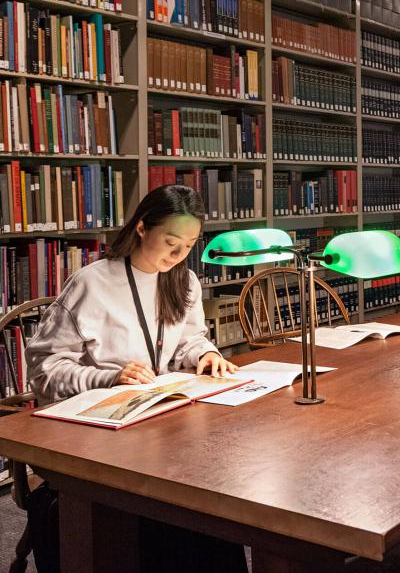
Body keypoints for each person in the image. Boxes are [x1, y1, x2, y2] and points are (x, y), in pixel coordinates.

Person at [25, 184, 248, 573]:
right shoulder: (92, 283)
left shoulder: (184, 280)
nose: (179, 256)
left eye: (189, 246)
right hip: (101, 431)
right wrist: (108, 378)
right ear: (143, 228)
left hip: (159, 424)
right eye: (171, 243)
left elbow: (188, 338)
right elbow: (45, 368)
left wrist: (206, 353)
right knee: (174, 515)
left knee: (211, 507)